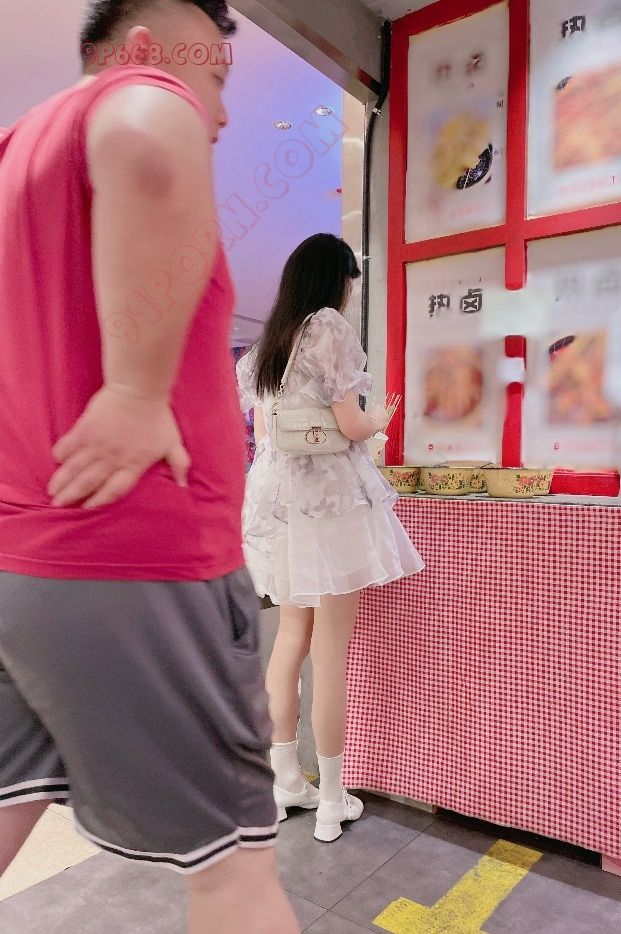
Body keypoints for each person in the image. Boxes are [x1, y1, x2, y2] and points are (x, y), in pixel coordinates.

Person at [0, 2, 299, 932]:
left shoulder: (12, 153)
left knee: (8, 803)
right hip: (138, 560)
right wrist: (134, 390)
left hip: (24, 562)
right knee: (235, 871)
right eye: (212, 78)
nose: (218, 111)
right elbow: (148, 127)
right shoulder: (137, 97)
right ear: (140, 50)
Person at [237, 234, 424, 843]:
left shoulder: (266, 348)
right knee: (331, 649)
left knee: (290, 639)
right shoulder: (328, 329)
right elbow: (349, 424)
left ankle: (285, 783)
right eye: (350, 282)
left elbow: (268, 435)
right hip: (332, 507)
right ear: (335, 280)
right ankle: (332, 799)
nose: (350, 293)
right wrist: (379, 420)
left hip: (284, 508)